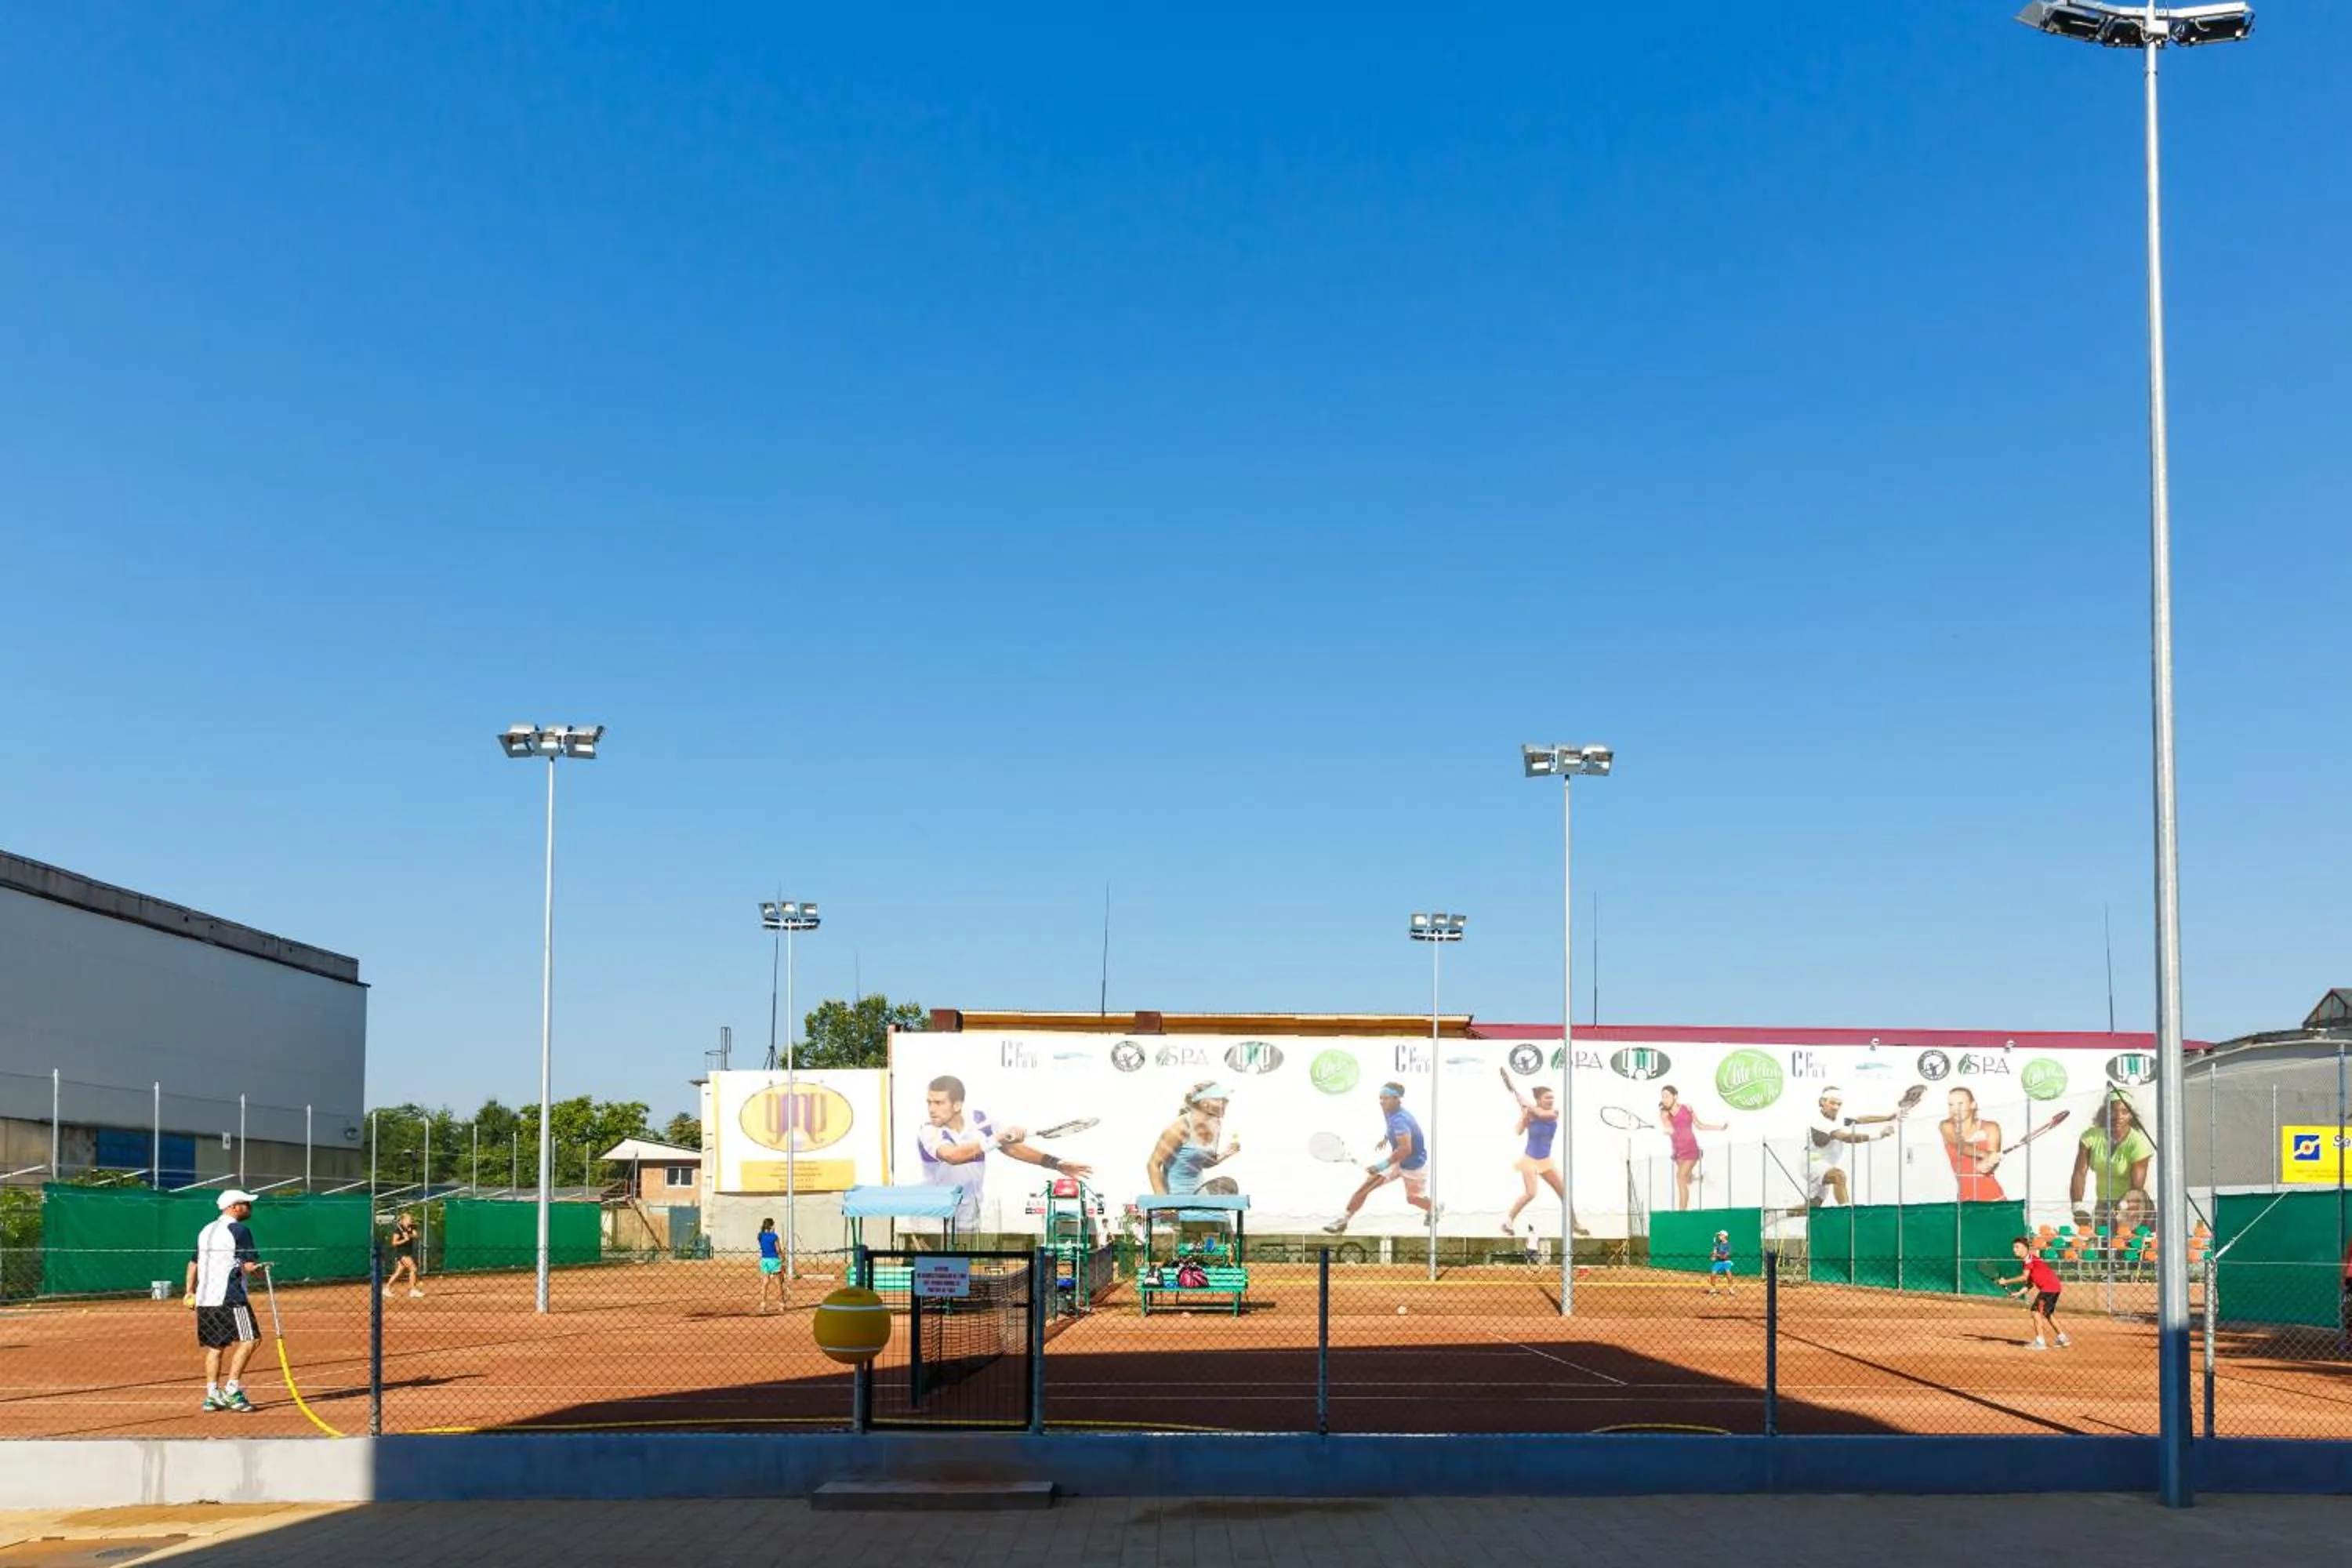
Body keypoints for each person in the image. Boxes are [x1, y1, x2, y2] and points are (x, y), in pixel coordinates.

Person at [913, 1075, 1093, 1232]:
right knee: (939, 1269)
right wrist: (998, 1138)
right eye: (929, 1102)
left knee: (965, 1268)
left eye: (938, 1103)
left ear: (957, 1105)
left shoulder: (980, 1122)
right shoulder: (928, 1131)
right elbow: (953, 1156)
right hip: (937, 1222)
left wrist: (1055, 1163)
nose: (932, 1109)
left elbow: (1011, 1147)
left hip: (969, 1218)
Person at [184, 1189, 269, 1413]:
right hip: (230, 1296)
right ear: (234, 1207)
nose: (250, 1208)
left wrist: (189, 1291)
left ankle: (212, 1395)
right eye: (246, 1204)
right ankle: (232, 1390)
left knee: (216, 1346)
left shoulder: (206, 1230)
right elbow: (249, 1266)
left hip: (205, 1298)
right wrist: (262, 1270)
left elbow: (193, 1263)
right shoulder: (239, 1230)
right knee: (251, 1339)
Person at [1323, 1083, 1432, 1235]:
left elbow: (1406, 1149)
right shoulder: (1389, 1112)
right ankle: (1343, 1220)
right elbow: (1394, 1131)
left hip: (1414, 1165)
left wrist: (1380, 1166)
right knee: (1366, 1187)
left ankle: (1433, 1207)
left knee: (1413, 1199)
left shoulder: (1401, 1119)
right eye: (1381, 1098)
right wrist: (1386, 1138)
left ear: (1397, 1099)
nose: (1382, 1101)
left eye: (1386, 1098)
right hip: (1397, 1161)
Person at [1500, 1071, 1587, 1237]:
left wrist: (1529, 1107)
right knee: (1531, 1193)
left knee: (1565, 1193)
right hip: (1529, 1160)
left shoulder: (1553, 1113)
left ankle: (1575, 1223)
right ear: (1539, 1100)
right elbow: (1518, 1131)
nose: (1551, 1100)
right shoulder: (1531, 1114)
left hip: (1546, 1161)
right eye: (1547, 1098)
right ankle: (1509, 1221)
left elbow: (1541, 1114)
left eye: (1552, 1098)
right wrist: (1525, 1116)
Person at [1147, 1082, 1241, 1224]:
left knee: (1229, 1185)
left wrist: (1227, 1153)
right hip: (1175, 1204)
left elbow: (1206, 1162)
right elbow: (1153, 1165)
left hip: (1199, 1197)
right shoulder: (1180, 1127)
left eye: (1225, 1099)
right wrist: (1164, 1204)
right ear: (1204, 1103)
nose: (1225, 1103)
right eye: (1218, 1099)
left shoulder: (1216, 1125)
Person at [1796, 1087, 1896, 1213]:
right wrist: (1879, 1135)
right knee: (1839, 1176)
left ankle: (1772, 1216)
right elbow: (1847, 1138)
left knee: (1811, 1207)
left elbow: (1861, 1119)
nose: (1836, 1107)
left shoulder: (1840, 1118)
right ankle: (1847, 1214)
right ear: (1822, 1102)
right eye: (1832, 1103)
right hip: (1811, 1163)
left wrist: (1887, 1118)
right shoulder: (1819, 1121)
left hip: (1824, 1165)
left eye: (1839, 1104)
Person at [2071, 1090, 2155, 1234]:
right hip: (2102, 1205)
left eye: (2124, 1112)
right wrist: (2077, 1207)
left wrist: (2118, 1213)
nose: (2118, 1117)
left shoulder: (2139, 1144)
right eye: (2113, 1111)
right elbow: (2080, 1173)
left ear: (2131, 1116)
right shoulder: (2090, 1137)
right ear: (2105, 1113)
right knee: (2100, 1249)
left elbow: (2136, 1191)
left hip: (2132, 1208)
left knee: (2124, 1250)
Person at [1657, 1086, 1726, 1213]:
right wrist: (1667, 1127)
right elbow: (1669, 1128)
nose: (1665, 1099)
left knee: (1680, 1177)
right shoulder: (1664, 1114)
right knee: (1687, 1180)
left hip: (1691, 1149)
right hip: (1678, 1152)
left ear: (1675, 1096)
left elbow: (1700, 1125)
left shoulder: (1687, 1109)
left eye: (1667, 1096)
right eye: (1663, 1096)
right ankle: (1698, 1178)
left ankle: (1682, 1214)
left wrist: (1719, 1127)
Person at [1997, 1234, 2070, 1351]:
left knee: (2035, 1312)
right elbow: (2030, 1282)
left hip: (2048, 1287)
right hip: (2055, 1287)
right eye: (2014, 1247)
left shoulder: (2029, 1259)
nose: (2014, 1250)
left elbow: (2024, 1277)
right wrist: (2020, 1293)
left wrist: (2007, 1281)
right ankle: (2062, 1338)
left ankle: (2040, 1342)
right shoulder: (2029, 1260)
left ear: (2025, 1248)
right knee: (2048, 1314)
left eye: (2017, 1247)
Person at [1938, 1088, 2006, 1203]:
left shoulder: (1991, 1128)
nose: (1955, 1109)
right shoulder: (1946, 1126)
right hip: (1965, 1202)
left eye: (1960, 1104)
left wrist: (1988, 1163)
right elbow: (1961, 1146)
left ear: (1972, 1105)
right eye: (1951, 1105)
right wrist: (1987, 1154)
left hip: (1994, 1199)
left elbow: (1984, 1169)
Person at [383, 1210, 422, 1301]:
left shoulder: (412, 1227)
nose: (410, 1221)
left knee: (399, 1272)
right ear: (403, 1220)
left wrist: (409, 1235)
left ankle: (386, 1289)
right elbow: (394, 1243)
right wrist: (404, 1240)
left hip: (408, 1252)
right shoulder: (397, 1230)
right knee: (413, 1269)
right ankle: (413, 1290)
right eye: (408, 1219)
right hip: (401, 1253)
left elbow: (417, 1236)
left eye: (411, 1219)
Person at [753, 1217, 785, 1313]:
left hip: (765, 1260)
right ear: (771, 1225)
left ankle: (763, 1305)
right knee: (778, 1283)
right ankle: (781, 1305)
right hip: (774, 1260)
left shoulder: (760, 1235)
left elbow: (764, 1244)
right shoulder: (774, 1236)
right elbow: (778, 1249)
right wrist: (783, 1257)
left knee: (765, 1283)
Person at [1707, 1229, 1737, 1298]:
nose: (1719, 1236)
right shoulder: (1717, 1244)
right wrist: (1712, 1255)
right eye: (1719, 1235)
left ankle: (1730, 1288)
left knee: (1728, 1272)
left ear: (1724, 1236)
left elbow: (1725, 1256)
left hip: (1726, 1261)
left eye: (1720, 1235)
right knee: (1713, 1274)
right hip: (1718, 1262)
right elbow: (1713, 1252)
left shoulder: (1728, 1245)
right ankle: (1713, 1288)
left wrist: (1716, 1255)